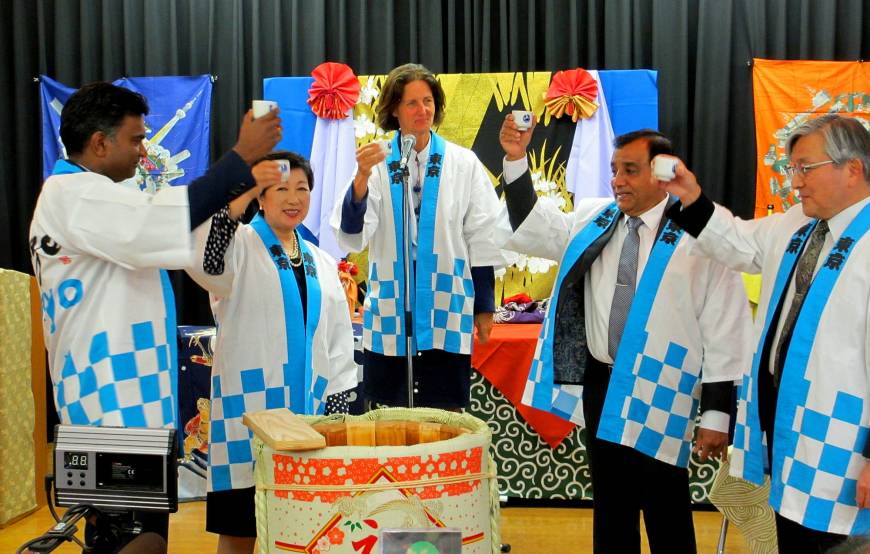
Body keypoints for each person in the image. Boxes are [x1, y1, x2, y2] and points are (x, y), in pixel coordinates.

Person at [28, 81, 281, 548]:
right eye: (136, 139)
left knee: (140, 538)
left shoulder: (94, 199)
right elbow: (158, 221)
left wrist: (238, 188)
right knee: (130, 541)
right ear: (99, 143)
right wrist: (239, 158)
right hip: (109, 410)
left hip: (127, 409)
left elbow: (185, 240)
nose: (144, 151)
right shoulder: (74, 195)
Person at [498, 116, 753, 553]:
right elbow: (533, 227)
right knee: (611, 505)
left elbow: (726, 327)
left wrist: (716, 413)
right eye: (614, 169)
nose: (617, 180)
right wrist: (516, 159)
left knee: (664, 503)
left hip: (664, 387)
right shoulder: (597, 219)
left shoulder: (700, 233)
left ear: (661, 172)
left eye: (630, 170)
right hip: (603, 379)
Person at [661, 114, 870, 553]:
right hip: (790, 428)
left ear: (853, 168)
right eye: (792, 169)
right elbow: (738, 242)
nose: (796, 182)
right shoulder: (798, 223)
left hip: (848, 442)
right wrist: (691, 197)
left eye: (805, 168)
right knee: (795, 538)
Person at [186, 151, 357, 553]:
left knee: (305, 527)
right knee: (241, 528)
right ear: (259, 196)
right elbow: (205, 263)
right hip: (249, 412)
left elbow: (336, 338)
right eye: (281, 188)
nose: (294, 197)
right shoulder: (239, 244)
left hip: (308, 414)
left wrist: (338, 402)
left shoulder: (322, 262)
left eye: (302, 188)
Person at [329, 63, 511, 410]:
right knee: (392, 414)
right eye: (411, 103)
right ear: (394, 109)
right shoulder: (378, 162)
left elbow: (482, 236)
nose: (422, 110)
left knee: (443, 414)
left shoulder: (463, 162)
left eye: (427, 101)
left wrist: (484, 306)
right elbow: (354, 233)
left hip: (446, 299)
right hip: (394, 301)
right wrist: (362, 179)